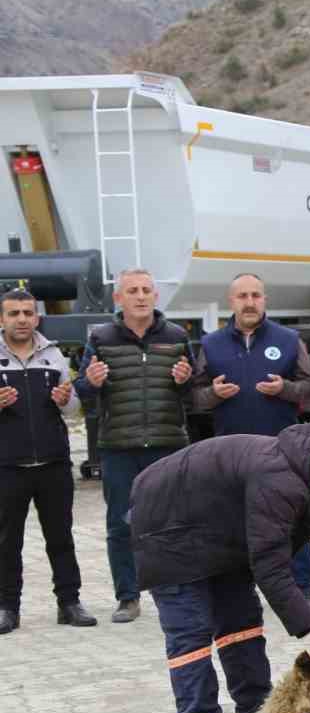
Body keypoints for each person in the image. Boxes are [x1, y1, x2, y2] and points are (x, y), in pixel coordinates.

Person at [129, 425, 310, 713]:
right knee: (192, 637)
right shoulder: (279, 480)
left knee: (242, 625)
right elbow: (271, 570)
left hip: (221, 536)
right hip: (169, 529)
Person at [74, 267, 194, 624]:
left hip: (167, 443)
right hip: (119, 447)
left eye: (146, 290)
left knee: (173, 522)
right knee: (120, 525)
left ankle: (177, 590)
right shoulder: (101, 338)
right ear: (118, 298)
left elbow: (195, 390)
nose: (140, 296)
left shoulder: (175, 335)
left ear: (155, 296)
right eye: (132, 290)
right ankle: (128, 597)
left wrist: (185, 382)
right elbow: (81, 390)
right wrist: (90, 383)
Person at [191, 273, 310, 600]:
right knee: (234, 524)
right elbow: (193, 396)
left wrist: (285, 389)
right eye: (242, 296)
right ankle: (236, 590)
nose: (249, 302)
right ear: (230, 301)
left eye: (256, 295)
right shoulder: (210, 344)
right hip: (230, 452)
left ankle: (300, 588)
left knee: (291, 521)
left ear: (265, 300)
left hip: (281, 449)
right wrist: (215, 394)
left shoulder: (290, 340)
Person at [0, 288, 87, 633]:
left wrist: (65, 398)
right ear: (2, 318)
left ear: (36, 317)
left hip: (53, 464)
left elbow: (74, 408)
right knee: (7, 542)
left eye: (27, 312)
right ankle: (8, 607)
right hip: (7, 467)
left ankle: (70, 603)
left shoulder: (53, 355)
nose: (21, 319)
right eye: (13, 313)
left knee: (61, 537)